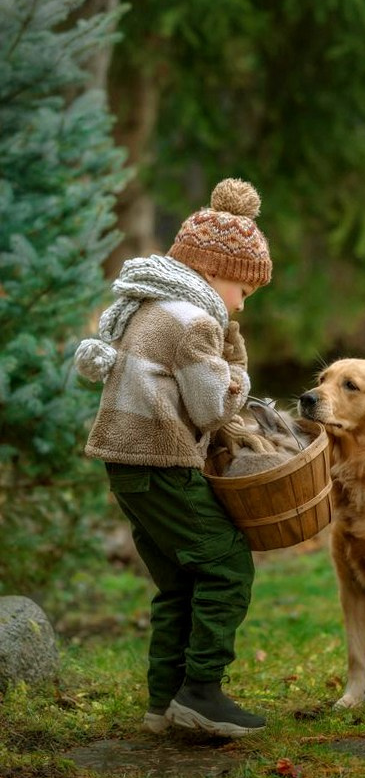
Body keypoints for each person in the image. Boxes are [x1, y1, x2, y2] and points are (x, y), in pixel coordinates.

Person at [74, 178, 272, 737]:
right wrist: (237, 369)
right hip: (160, 463)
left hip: (126, 464)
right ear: (215, 271)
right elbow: (211, 410)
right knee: (227, 564)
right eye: (244, 289)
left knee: (180, 581)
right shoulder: (195, 321)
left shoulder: (150, 307)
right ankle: (202, 694)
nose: (242, 302)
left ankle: (164, 702)